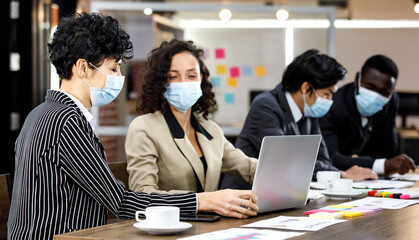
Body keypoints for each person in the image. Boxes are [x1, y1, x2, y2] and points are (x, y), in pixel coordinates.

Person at [7, 13, 255, 240]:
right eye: (113, 68)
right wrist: (205, 201)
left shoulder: (42, 114)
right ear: (83, 68)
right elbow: (121, 202)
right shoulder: (67, 121)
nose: (118, 77)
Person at [125, 39, 258, 217]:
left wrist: (292, 177)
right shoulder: (144, 128)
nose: (183, 82)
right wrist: (206, 201)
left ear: (201, 79)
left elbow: (248, 167)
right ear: (160, 82)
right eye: (173, 76)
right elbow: (143, 195)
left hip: (209, 228)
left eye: (191, 75)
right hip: (167, 231)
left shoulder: (210, 129)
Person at [225, 49, 377, 190]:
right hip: (243, 195)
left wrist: (330, 171)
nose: (330, 100)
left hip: (284, 193)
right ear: (305, 88)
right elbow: (286, 160)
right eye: (326, 94)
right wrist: (342, 174)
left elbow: (324, 160)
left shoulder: (309, 112)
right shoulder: (266, 106)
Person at [320, 54, 417, 176]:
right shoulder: (334, 104)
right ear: (357, 79)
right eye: (370, 87)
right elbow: (331, 158)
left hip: (374, 181)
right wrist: (382, 165)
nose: (375, 96)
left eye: (383, 92)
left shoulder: (391, 101)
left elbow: (388, 150)